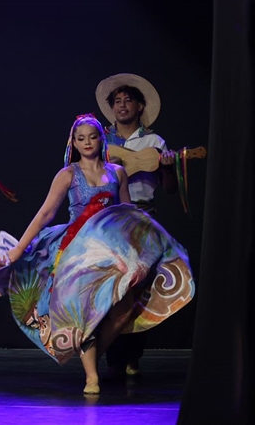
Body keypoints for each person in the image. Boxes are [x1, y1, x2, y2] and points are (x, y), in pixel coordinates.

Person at [0, 114, 194, 394]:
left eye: (92, 136)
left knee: (123, 311)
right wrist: (17, 249)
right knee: (83, 313)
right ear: (74, 143)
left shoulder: (117, 172)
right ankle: (92, 376)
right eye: (81, 138)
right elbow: (45, 214)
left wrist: (148, 241)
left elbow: (128, 214)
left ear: (102, 138)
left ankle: (91, 354)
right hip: (78, 251)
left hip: (113, 251)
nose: (87, 142)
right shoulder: (67, 175)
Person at [95, 73, 178, 377]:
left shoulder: (154, 142)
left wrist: (168, 168)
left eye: (128, 100)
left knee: (140, 287)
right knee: (112, 288)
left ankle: (133, 355)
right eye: (117, 101)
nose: (122, 105)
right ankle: (113, 357)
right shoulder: (101, 138)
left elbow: (169, 188)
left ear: (140, 106)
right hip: (108, 219)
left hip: (143, 217)